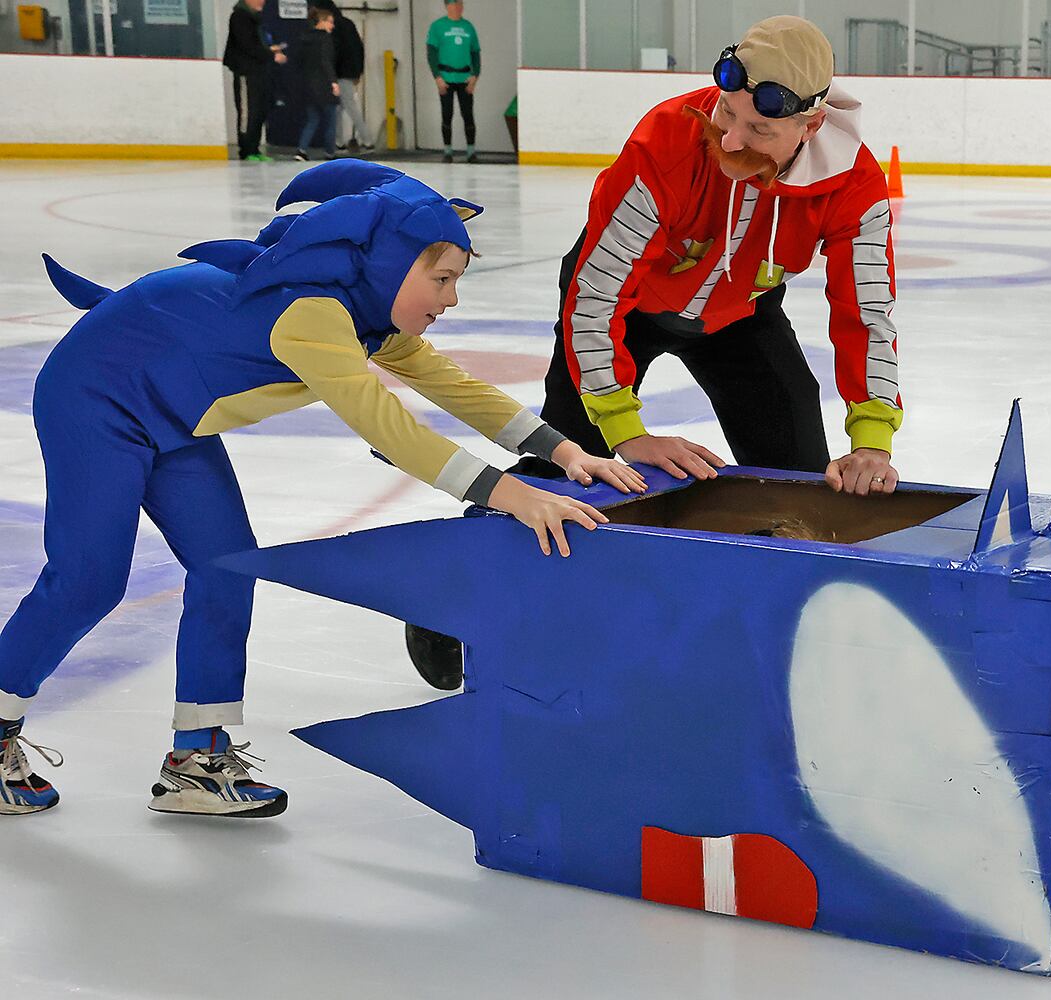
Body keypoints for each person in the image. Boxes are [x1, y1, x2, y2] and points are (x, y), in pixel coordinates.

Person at [0, 161, 643, 818]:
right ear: (391, 264)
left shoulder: (363, 309)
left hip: (169, 413)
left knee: (226, 566)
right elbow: (388, 427)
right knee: (89, 578)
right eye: (442, 278)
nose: (451, 299)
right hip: (95, 396)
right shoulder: (311, 313)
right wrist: (511, 493)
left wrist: (565, 452)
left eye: (457, 280)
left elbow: (454, 387)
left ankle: (197, 758)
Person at [402, 16, 906, 688]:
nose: (729, 138)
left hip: (739, 315)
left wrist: (873, 436)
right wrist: (623, 429)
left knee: (797, 486)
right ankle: (450, 594)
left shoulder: (855, 183)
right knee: (569, 465)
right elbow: (595, 296)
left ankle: (778, 642)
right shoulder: (669, 136)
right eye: (726, 114)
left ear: (809, 128)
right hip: (625, 307)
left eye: (758, 131)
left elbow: (867, 312)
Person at [222, 0, 286, 162]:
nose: (263, 2)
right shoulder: (239, 17)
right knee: (247, 113)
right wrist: (272, 55)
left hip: (259, 72)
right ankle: (246, 150)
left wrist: (270, 49)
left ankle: (255, 148)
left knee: (259, 111)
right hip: (245, 72)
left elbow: (256, 43)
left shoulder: (255, 18)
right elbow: (247, 45)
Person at [312, 0, 373, 153]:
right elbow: (359, 48)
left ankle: (362, 140)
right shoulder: (349, 23)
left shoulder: (331, 29)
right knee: (344, 107)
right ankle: (351, 140)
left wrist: (331, 76)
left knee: (342, 107)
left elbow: (333, 54)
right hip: (350, 72)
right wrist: (358, 71)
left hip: (338, 73)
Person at [427, 1, 481, 163]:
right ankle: (447, 150)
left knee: (468, 114)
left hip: (464, 78)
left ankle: (471, 151)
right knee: (447, 114)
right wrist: (437, 77)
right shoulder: (438, 27)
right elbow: (432, 54)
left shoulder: (468, 27)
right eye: (454, 5)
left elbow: (476, 53)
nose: (457, 8)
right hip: (446, 77)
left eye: (460, 5)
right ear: (447, 6)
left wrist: (475, 76)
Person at [294, 7, 341, 161]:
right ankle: (330, 152)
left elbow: (299, 63)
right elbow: (326, 61)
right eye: (330, 22)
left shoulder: (303, 39)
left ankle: (301, 150)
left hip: (308, 85)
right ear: (321, 22)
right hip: (324, 85)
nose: (332, 26)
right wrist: (333, 82)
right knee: (330, 121)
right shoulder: (325, 39)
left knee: (312, 120)